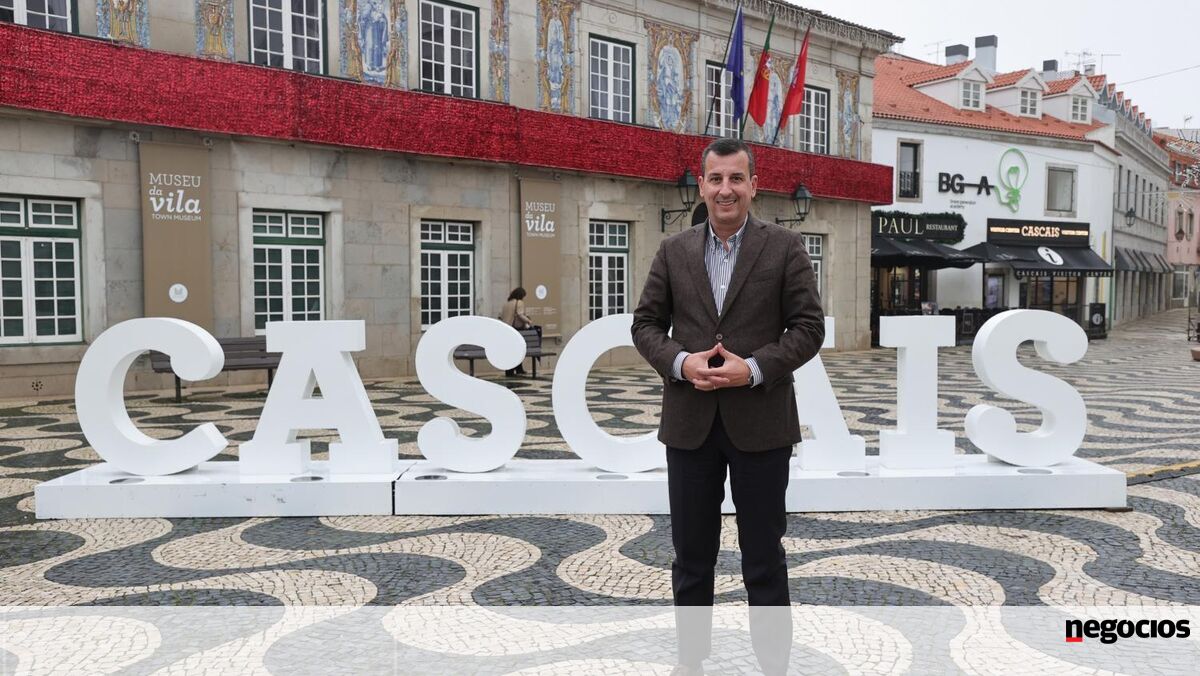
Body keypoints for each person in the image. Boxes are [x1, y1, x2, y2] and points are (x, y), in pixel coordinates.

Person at [631, 138, 825, 675]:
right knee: (691, 559)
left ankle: (774, 667)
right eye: (715, 179)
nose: (725, 189)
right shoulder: (673, 250)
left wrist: (754, 368)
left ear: (754, 186)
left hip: (762, 425)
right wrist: (681, 362)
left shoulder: (784, 247)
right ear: (702, 185)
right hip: (689, 425)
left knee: (764, 558)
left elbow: (809, 327)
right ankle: (690, 663)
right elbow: (645, 325)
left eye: (736, 178)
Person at [500, 287, 533, 377]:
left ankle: (510, 370)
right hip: (516, 330)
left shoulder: (507, 304)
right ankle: (518, 369)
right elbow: (520, 314)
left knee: (510, 351)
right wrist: (528, 321)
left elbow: (501, 316)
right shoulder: (519, 302)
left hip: (506, 330)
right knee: (518, 350)